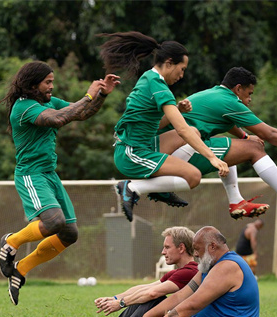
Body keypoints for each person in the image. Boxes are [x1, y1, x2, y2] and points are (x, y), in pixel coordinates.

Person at [0, 61, 121, 305]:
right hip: (31, 174)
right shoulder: (24, 108)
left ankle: (22, 269)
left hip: (49, 175)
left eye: (52, 81)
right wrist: (88, 94)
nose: (52, 86)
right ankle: (11, 242)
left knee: (70, 233)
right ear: (33, 84)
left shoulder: (47, 102)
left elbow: (80, 113)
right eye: (48, 82)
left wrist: (102, 96)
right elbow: (58, 119)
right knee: (54, 221)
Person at [98, 31, 229, 222]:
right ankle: (132, 188)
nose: (182, 75)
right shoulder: (159, 86)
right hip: (131, 154)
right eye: (181, 69)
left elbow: (155, 125)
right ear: (168, 63)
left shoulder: (149, 78)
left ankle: (162, 188)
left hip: (142, 145)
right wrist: (212, 158)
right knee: (193, 177)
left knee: (194, 131)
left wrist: (177, 110)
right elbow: (182, 130)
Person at [170, 67, 277, 219]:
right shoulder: (229, 101)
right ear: (238, 89)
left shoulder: (214, 94)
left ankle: (236, 202)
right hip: (178, 154)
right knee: (254, 148)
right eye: (249, 93)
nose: (250, 99)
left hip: (174, 148)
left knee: (234, 146)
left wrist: (245, 136)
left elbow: (225, 120)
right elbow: (270, 134)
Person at [115, 226, 259, 317]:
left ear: (212, 246)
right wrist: (148, 316)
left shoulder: (228, 266)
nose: (195, 254)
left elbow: (193, 304)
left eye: (197, 249)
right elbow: (180, 296)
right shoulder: (209, 266)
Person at [71, 226, 199, 317]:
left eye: (167, 247)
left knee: (152, 298)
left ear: (181, 248)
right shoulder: (179, 271)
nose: (163, 252)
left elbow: (153, 293)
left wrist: (121, 303)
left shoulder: (190, 271)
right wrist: (116, 298)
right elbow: (146, 287)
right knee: (143, 296)